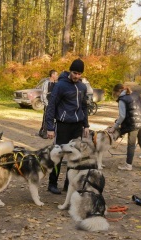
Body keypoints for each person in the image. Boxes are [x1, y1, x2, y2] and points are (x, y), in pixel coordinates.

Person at [45, 58, 90, 194]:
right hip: (63, 125)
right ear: (70, 71)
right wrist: (50, 127)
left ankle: (69, 184)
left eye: (79, 74)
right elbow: (51, 106)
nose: (77, 76)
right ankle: (52, 184)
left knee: (74, 156)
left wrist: (86, 125)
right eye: (75, 73)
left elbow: (84, 106)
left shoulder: (82, 87)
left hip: (77, 126)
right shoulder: (60, 85)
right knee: (58, 155)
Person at [107, 84, 141, 171]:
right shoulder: (135, 94)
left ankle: (128, 165)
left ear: (118, 91)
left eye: (115, 93)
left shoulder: (122, 100)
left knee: (131, 144)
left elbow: (122, 116)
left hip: (134, 124)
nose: (115, 95)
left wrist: (114, 127)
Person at [38, 70, 58, 139]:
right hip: (48, 103)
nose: (57, 76)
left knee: (53, 119)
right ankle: (44, 132)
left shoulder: (56, 84)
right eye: (56, 74)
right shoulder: (46, 83)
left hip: (54, 103)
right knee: (46, 118)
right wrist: (46, 103)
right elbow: (44, 93)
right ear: (52, 75)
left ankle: (51, 133)